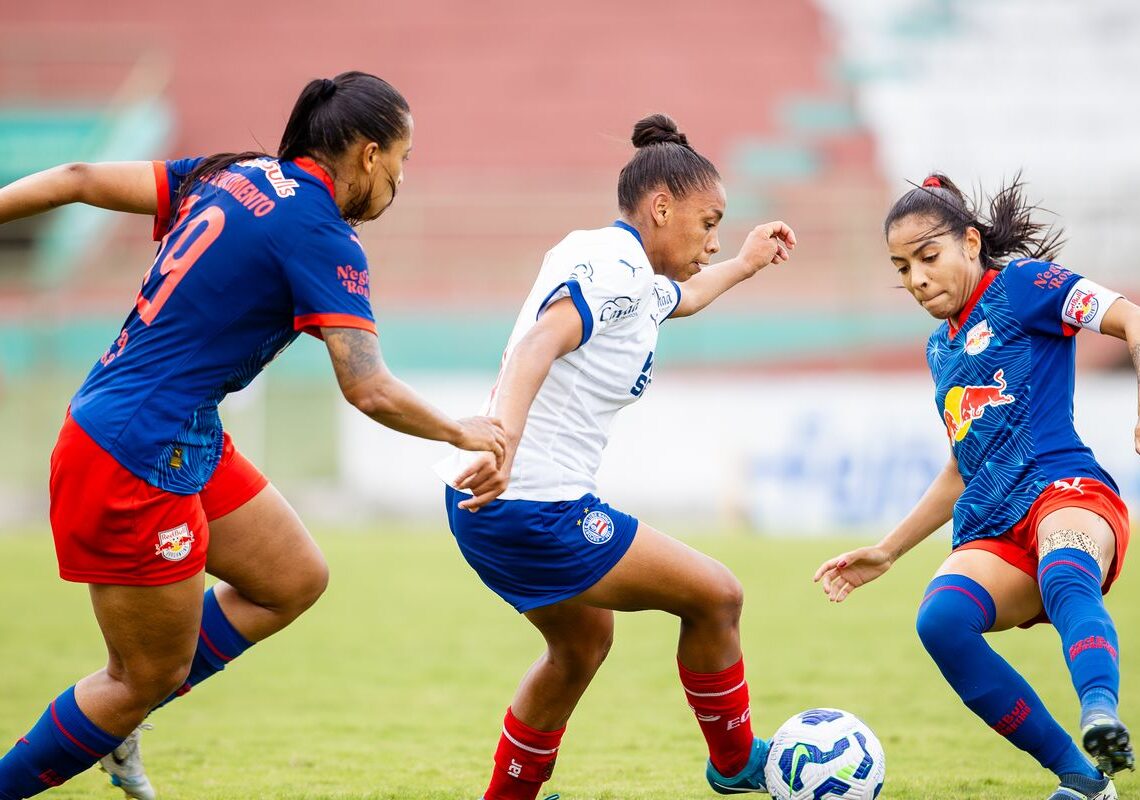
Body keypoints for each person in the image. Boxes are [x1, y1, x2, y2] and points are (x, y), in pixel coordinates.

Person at [0, 71, 505, 800]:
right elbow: (367, 387)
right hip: (135, 450)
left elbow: (77, 177)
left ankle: (122, 716)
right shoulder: (323, 234)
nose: (401, 179)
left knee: (292, 579)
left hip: (171, 424)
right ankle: (95, 729)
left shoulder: (232, 173)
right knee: (141, 676)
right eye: (403, 159)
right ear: (368, 154)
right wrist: (464, 432)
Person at [435, 113, 795, 800]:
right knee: (717, 596)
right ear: (662, 207)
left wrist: (744, 264)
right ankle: (736, 763)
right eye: (708, 221)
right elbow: (540, 343)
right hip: (529, 502)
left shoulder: (613, 260)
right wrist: (502, 439)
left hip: (485, 502)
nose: (712, 239)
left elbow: (679, 298)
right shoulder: (616, 272)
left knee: (580, 644)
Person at [814, 173, 1137, 800]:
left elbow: (1130, 318)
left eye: (928, 258)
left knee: (1065, 571)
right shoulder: (941, 349)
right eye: (901, 267)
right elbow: (961, 468)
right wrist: (887, 550)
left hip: (1063, 490)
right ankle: (1083, 778)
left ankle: (1100, 712)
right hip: (993, 520)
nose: (916, 279)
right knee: (941, 621)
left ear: (969, 242)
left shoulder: (1024, 285)